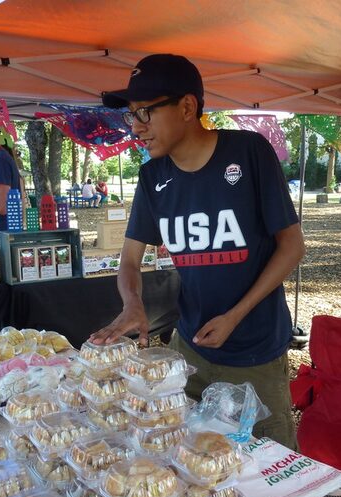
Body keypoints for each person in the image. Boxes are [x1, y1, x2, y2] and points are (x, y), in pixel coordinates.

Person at [91, 54, 306, 448]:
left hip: (254, 351)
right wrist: (132, 303)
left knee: (269, 465)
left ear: (187, 107)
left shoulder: (249, 152)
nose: (136, 127)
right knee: (189, 458)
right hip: (187, 349)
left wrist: (235, 316)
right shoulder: (152, 176)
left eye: (146, 113)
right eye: (131, 115)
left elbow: (292, 246)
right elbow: (129, 260)